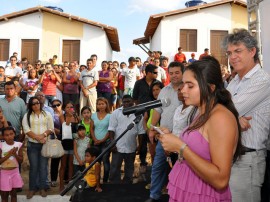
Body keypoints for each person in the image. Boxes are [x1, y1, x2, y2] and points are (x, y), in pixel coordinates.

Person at [157, 56, 242, 202]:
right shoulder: (200, 112)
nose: (182, 89)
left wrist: (180, 147)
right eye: (183, 84)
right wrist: (173, 140)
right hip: (191, 192)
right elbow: (200, 148)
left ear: (210, 87)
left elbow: (221, 180)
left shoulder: (220, 118)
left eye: (190, 86)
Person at [224, 28, 270, 202]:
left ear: (252, 51)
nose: (232, 57)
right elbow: (217, 111)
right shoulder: (235, 81)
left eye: (238, 51)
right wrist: (234, 118)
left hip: (248, 159)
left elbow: (219, 112)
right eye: (229, 53)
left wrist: (229, 116)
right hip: (230, 155)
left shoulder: (262, 81)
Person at [146, 61, 184, 202]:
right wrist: (152, 128)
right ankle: (154, 195)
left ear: (183, 73)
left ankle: (178, 197)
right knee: (158, 166)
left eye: (177, 73)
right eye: (171, 73)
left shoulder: (187, 89)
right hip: (164, 137)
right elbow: (158, 110)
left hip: (183, 138)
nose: (174, 76)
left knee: (182, 170)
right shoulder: (164, 90)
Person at [22, 96, 54, 199]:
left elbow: (51, 128)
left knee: (43, 167)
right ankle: (32, 189)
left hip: (44, 143)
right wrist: (38, 138)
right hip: (32, 145)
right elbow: (26, 130)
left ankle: (42, 188)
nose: (36, 105)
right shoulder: (27, 116)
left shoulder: (47, 114)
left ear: (40, 103)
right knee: (33, 168)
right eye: (34, 104)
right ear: (31, 106)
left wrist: (43, 135)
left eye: (37, 103)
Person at [108, 95, 145, 184]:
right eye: (124, 102)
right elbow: (111, 129)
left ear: (133, 102)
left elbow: (141, 132)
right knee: (115, 167)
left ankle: (127, 185)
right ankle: (114, 184)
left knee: (129, 167)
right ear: (122, 102)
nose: (126, 103)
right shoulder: (116, 113)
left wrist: (139, 146)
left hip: (131, 146)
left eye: (128, 101)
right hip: (117, 146)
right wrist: (112, 143)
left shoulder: (138, 114)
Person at [133, 64, 158, 173]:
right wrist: (141, 111)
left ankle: (156, 164)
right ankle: (143, 163)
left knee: (154, 139)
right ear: (148, 73)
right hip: (143, 114)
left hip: (156, 114)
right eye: (155, 72)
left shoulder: (157, 84)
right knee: (142, 140)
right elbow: (135, 99)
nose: (157, 74)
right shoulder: (138, 83)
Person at [59, 101, 80, 191]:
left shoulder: (76, 117)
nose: (69, 108)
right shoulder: (62, 117)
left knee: (71, 164)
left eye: (71, 107)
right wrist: (70, 115)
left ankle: (70, 183)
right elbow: (66, 125)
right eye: (67, 107)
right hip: (64, 143)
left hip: (74, 143)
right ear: (64, 109)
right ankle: (61, 184)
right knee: (63, 165)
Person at [0, 126, 24, 202]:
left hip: (15, 173)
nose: (9, 136)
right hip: (4, 173)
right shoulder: (1, 145)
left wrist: (15, 154)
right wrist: (9, 154)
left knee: (14, 194)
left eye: (11, 134)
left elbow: (21, 160)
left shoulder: (18, 145)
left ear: (14, 134)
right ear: (3, 137)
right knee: (4, 195)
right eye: (6, 135)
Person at [91, 97, 111, 183]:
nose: (101, 106)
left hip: (105, 142)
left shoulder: (110, 116)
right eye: (99, 104)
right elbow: (92, 128)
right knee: (96, 162)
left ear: (106, 105)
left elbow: (110, 130)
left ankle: (105, 180)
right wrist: (95, 139)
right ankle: (97, 181)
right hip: (95, 142)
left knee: (105, 161)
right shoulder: (94, 115)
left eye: (103, 104)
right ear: (97, 105)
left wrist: (102, 140)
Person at [50, 98, 64, 187]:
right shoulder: (51, 115)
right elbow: (50, 127)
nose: (56, 107)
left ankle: (66, 179)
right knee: (55, 161)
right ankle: (53, 179)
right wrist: (60, 131)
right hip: (55, 140)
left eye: (58, 105)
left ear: (61, 104)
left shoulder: (66, 114)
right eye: (54, 106)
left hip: (66, 140)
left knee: (65, 161)